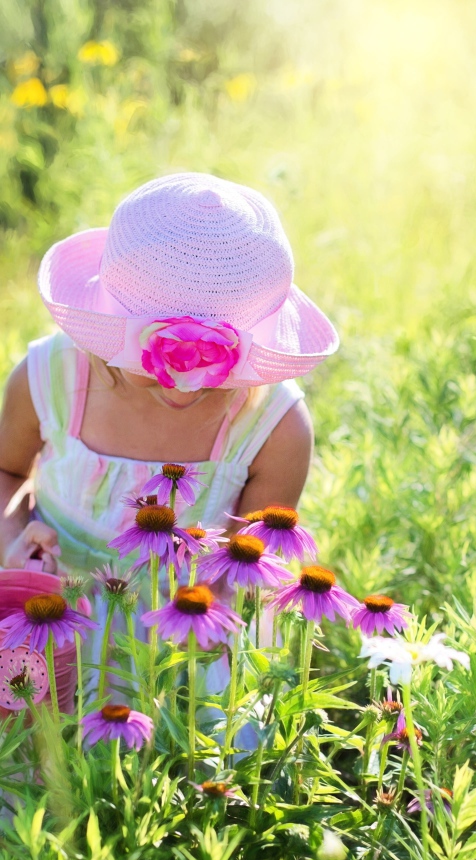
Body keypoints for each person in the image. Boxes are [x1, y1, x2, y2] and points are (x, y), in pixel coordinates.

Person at [0, 172, 338, 703]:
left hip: (180, 652)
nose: (184, 384)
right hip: (48, 627)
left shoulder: (273, 426)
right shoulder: (50, 379)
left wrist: (204, 606)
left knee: (175, 776)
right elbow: (7, 472)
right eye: (160, 362)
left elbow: (248, 564)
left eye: (212, 366)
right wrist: (14, 536)